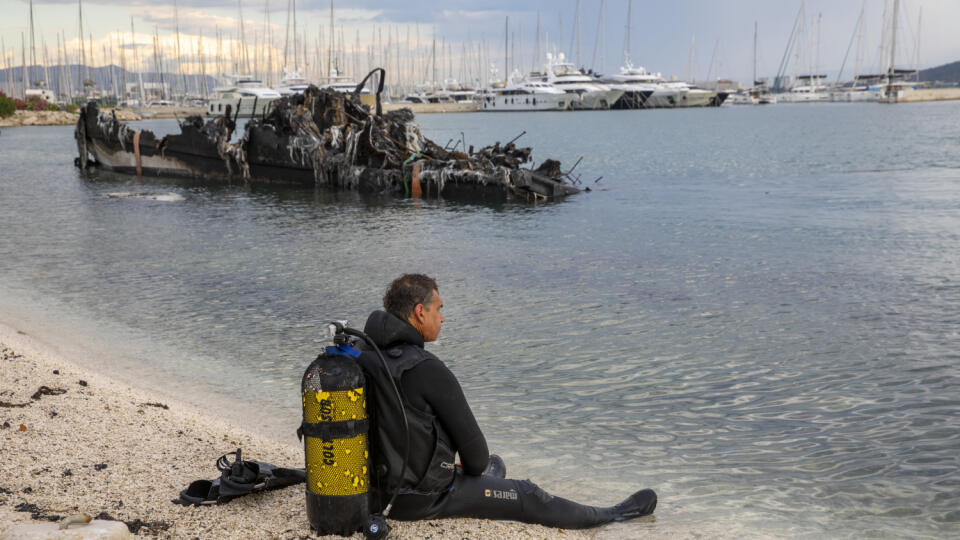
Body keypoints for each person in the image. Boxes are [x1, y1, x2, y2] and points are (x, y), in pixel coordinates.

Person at [354, 273, 657, 529]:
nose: (442, 318)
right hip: (419, 500)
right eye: (439, 309)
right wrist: (470, 471)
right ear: (420, 313)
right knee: (526, 493)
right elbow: (476, 459)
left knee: (493, 468)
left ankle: (487, 481)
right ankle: (612, 515)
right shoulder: (425, 367)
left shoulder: (359, 355)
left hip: (367, 494)